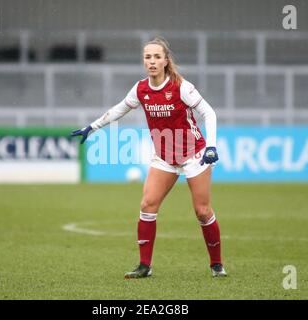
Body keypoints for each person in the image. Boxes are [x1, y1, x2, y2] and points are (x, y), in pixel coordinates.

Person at [71, 37, 227, 279]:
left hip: (194, 154)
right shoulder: (141, 89)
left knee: (202, 212)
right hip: (164, 156)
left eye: (157, 57)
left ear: (166, 61)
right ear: (144, 61)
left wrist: (212, 146)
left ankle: (217, 264)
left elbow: (209, 112)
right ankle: (145, 266)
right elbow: (119, 109)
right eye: (147, 57)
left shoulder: (181, 86)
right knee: (147, 205)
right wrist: (92, 127)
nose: (152, 61)